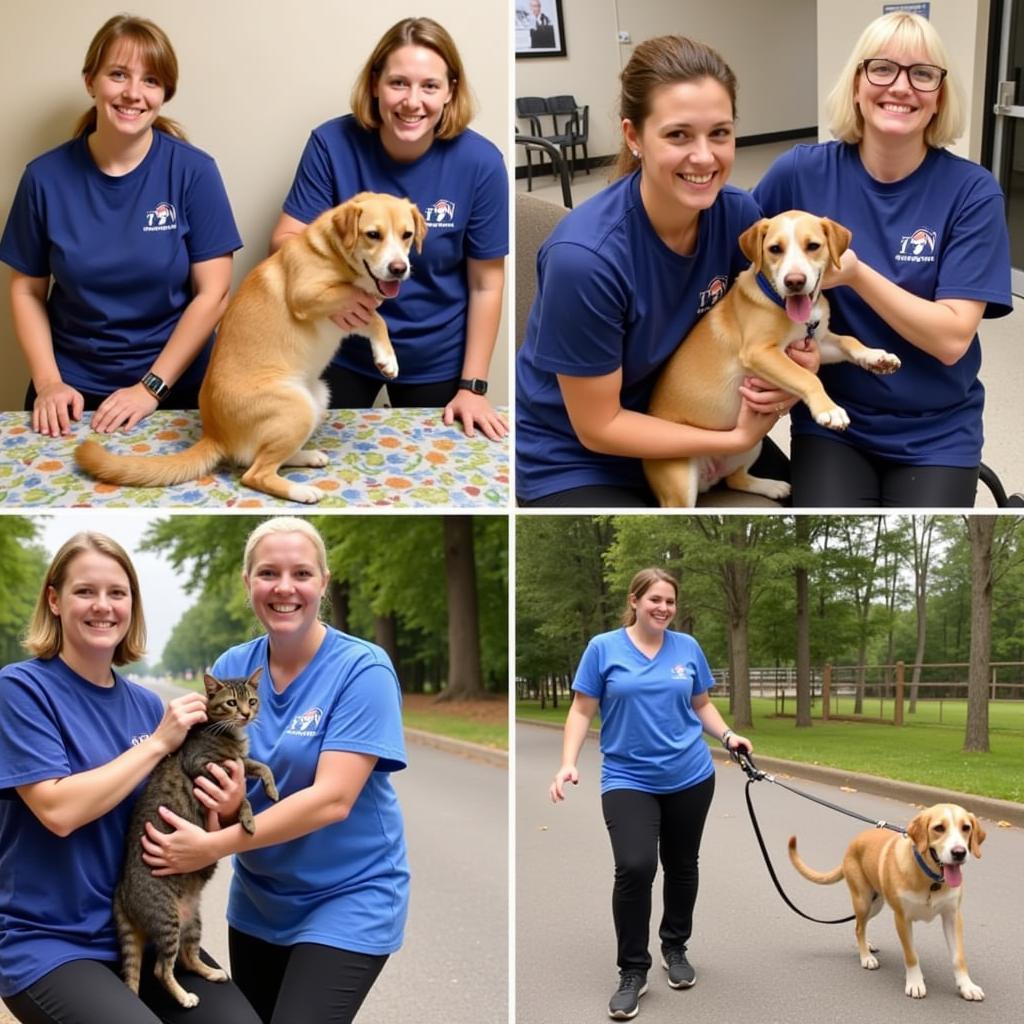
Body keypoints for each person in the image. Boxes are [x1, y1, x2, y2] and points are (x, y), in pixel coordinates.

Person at [515, 34, 819, 507]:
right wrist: (734, 442)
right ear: (634, 137)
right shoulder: (586, 260)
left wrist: (799, 368)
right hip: (579, 456)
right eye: (678, 135)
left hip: (688, 418)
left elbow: (771, 321)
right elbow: (599, 427)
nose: (704, 157)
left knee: (811, 504)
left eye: (719, 133)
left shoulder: (740, 217)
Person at [138, 517, 409, 1024]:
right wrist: (217, 805)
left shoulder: (362, 668)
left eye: (302, 573)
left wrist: (213, 845)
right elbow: (204, 783)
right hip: (260, 903)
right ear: (248, 584)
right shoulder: (234, 667)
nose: (284, 587)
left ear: (323, 583)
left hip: (349, 898)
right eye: (268, 573)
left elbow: (334, 799)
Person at [753, 11, 1013, 507]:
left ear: (939, 96)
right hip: (836, 418)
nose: (901, 87)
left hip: (937, 428)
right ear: (856, 84)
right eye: (882, 69)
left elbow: (952, 338)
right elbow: (728, 256)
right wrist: (780, 355)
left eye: (922, 74)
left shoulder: (971, 192)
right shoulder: (800, 172)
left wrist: (853, 275)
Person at [0, 533, 259, 1024]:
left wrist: (227, 802)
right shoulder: (21, 689)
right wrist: (160, 743)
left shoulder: (145, 705)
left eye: (117, 593)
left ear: (132, 606)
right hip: (50, 944)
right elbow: (58, 812)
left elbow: (190, 806)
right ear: (54, 600)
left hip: (142, 926)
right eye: (85, 591)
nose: (103, 606)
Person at [0, 15, 241, 439]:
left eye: (151, 80)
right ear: (90, 81)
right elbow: (26, 290)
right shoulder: (43, 178)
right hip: (69, 394)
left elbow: (214, 294)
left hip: (176, 388)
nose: (133, 93)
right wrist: (48, 383)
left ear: (165, 93)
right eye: (118, 75)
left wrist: (150, 388)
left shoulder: (194, 172)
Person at [270, 17, 508, 441]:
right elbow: (285, 241)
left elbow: (486, 282)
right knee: (314, 458)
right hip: (337, 347)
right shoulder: (331, 143)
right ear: (376, 83)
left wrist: (473, 386)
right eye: (399, 83)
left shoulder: (481, 163)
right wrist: (337, 301)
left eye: (430, 86)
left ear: (451, 90)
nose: (412, 101)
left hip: (436, 357)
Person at [549, 568, 751, 1020]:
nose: (663, 608)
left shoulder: (687, 648)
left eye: (670, 602)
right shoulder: (603, 648)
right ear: (635, 600)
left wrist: (728, 735)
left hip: (691, 775)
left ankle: (675, 948)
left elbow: (700, 704)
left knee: (682, 866)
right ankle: (632, 971)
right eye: (655, 599)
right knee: (636, 866)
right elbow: (582, 710)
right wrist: (568, 762)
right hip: (627, 777)